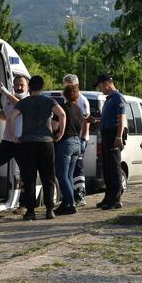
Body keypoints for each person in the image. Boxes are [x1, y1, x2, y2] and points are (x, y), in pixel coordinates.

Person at [8, 75, 66, 220]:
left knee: (29, 178)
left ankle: (30, 212)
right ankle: (49, 210)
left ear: (30, 87)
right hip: (46, 143)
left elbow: (11, 117)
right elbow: (62, 114)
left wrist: (13, 135)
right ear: (42, 87)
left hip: (28, 144)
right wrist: (60, 133)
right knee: (48, 177)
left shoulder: (24, 103)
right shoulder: (49, 101)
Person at [0, 74, 29, 203]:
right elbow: (5, 115)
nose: (19, 87)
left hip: (22, 142)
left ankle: (24, 203)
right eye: (17, 85)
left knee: (25, 172)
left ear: (27, 87)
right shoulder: (9, 99)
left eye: (22, 85)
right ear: (13, 85)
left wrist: (7, 93)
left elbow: (21, 106)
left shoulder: (27, 99)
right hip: (8, 140)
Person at [95, 74, 127, 210]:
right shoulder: (108, 99)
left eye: (100, 86)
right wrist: (95, 121)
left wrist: (118, 137)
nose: (100, 89)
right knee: (107, 168)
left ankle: (116, 199)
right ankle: (108, 197)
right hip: (106, 135)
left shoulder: (118, 98)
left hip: (114, 135)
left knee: (114, 168)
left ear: (107, 83)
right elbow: (107, 119)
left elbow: (122, 119)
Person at [53, 82, 83, 215]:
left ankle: (70, 204)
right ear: (77, 96)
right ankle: (67, 203)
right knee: (69, 175)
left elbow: (54, 126)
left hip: (65, 143)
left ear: (64, 94)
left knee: (61, 174)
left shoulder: (61, 108)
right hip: (77, 142)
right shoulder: (79, 110)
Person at [62, 74, 91, 207]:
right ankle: (71, 195)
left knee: (78, 168)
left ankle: (80, 194)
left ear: (74, 84)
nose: (64, 86)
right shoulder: (66, 98)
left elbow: (86, 121)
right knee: (70, 170)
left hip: (78, 138)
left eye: (66, 84)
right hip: (70, 137)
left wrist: (83, 138)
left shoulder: (82, 100)